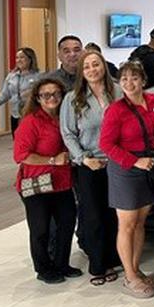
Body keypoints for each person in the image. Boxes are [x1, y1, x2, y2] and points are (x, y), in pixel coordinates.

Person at [99, 61, 154, 299]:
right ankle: (129, 276)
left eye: (134, 78)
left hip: (150, 166)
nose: (129, 83)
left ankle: (135, 268)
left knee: (140, 222)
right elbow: (106, 144)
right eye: (125, 79)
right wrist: (134, 162)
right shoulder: (116, 110)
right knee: (127, 223)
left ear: (143, 81)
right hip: (126, 169)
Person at [60, 50, 121, 287]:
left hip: (117, 162)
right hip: (90, 164)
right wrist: (83, 158)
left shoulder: (116, 91)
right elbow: (68, 133)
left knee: (115, 213)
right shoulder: (72, 98)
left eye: (96, 64)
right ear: (82, 72)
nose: (92, 70)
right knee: (93, 215)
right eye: (87, 67)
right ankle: (98, 263)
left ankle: (115, 257)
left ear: (103, 66)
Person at [13, 77, 81, 284]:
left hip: (62, 182)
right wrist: (52, 159)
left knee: (66, 224)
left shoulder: (65, 118)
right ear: (38, 98)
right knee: (40, 229)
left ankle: (61, 263)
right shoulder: (31, 122)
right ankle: (43, 268)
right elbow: (21, 155)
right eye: (45, 95)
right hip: (37, 183)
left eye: (55, 94)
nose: (51, 98)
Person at [0, 47, 40, 136]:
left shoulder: (39, 76)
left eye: (22, 57)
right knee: (17, 139)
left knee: (30, 139)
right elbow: (4, 94)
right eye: (17, 58)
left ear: (30, 59)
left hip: (31, 113)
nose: (19, 60)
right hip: (15, 114)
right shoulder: (11, 76)